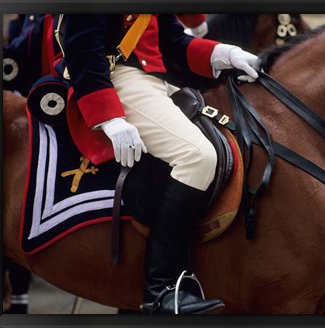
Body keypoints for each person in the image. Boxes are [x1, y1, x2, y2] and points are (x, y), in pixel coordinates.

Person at [62, 14, 260, 315]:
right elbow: (82, 48)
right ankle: (162, 289)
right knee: (198, 157)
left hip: (159, 82)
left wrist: (225, 53)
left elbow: (174, 42)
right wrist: (109, 116)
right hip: (116, 79)